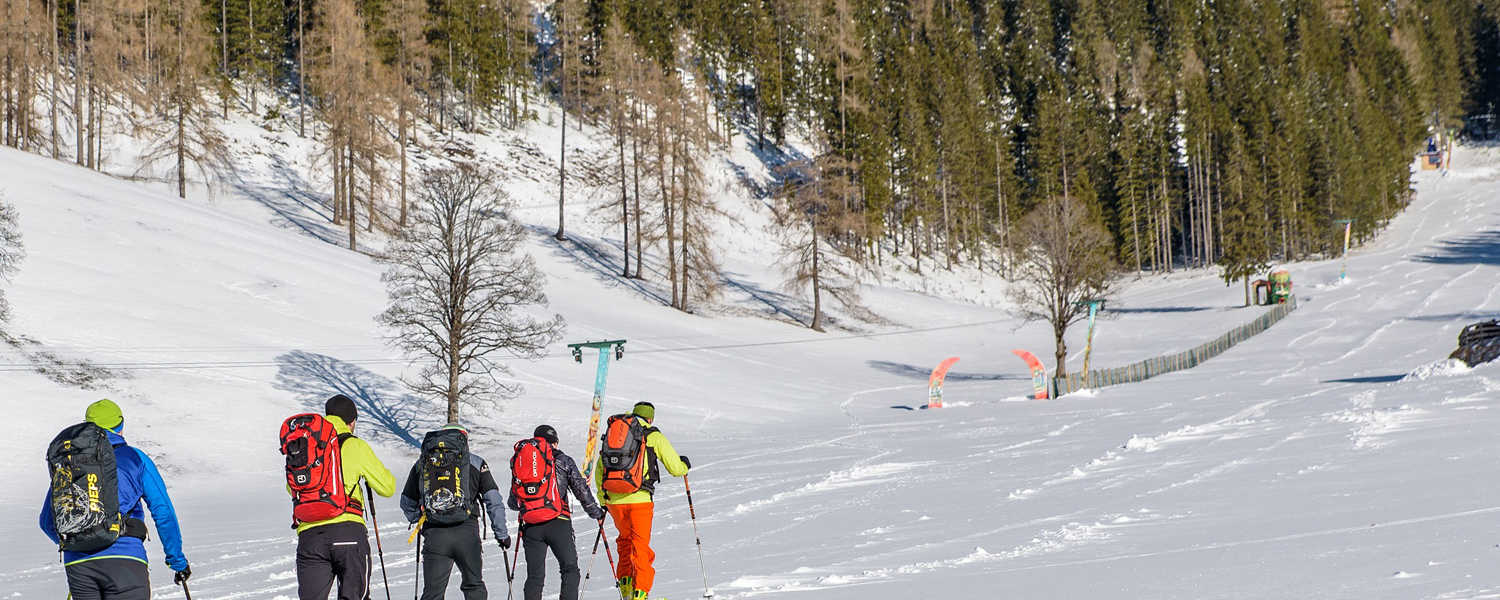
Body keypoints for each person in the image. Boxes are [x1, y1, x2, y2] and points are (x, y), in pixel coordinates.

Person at [39, 399, 191, 600]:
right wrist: (177, 561)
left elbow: (47, 522)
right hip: (125, 557)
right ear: (120, 425)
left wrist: (77, 542)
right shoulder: (134, 458)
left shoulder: (71, 463)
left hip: (78, 565)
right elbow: (163, 511)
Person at [294, 394, 396, 600]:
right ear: (351, 421)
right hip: (348, 532)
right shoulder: (354, 445)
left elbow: (293, 487)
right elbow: (387, 487)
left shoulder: (307, 447)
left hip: (310, 537)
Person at [400, 423, 510, 600]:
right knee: (474, 586)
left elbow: (407, 502)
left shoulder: (423, 463)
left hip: (435, 535)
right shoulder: (476, 462)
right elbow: (493, 500)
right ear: (463, 439)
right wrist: (501, 534)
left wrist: (422, 518)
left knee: (433, 594)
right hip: (467, 534)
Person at [596, 403, 690, 600]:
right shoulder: (653, 435)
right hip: (640, 500)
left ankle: (626, 589)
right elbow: (675, 468)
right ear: (650, 418)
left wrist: (603, 498)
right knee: (640, 546)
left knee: (625, 542)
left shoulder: (617, 433)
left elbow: (601, 468)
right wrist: (684, 466)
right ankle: (640, 593)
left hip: (614, 500)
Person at [509, 425, 605, 600]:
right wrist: (596, 513)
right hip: (559, 521)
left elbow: (513, 502)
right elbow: (581, 490)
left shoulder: (523, 461)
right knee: (569, 569)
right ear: (555, 443)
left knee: (535, 576)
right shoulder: (563, 460)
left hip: (531, 526)